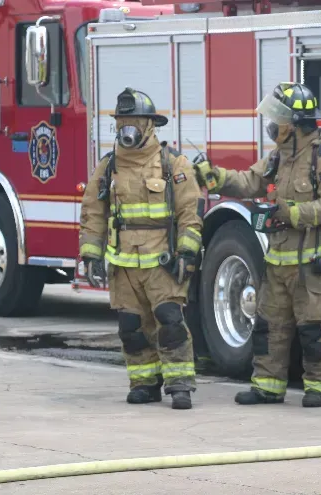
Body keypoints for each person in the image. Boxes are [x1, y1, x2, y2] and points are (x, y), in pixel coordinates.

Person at [193, 82, 321, 408]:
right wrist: (216, 177)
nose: (271, 125)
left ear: (295, 123)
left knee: (314, 330)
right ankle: (267, 386)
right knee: (269, 327)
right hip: (279, 260)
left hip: (314, 264)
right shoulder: (280, 156)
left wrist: (290, 213)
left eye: (278, 118)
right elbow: (250, 181)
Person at [79, 87, 204, 410]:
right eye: (122, 122)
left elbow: (190, 212)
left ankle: (179, 385)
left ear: (150, 125)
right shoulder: (108, 167)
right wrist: (91, 255)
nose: (127, 128)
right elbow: (94, 212)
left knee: (170, 323)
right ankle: (144, 382)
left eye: (134, 121)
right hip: (123, 264)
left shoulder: (172, 163)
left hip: (162, 261)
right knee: (131, 328)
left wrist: (187, 254)